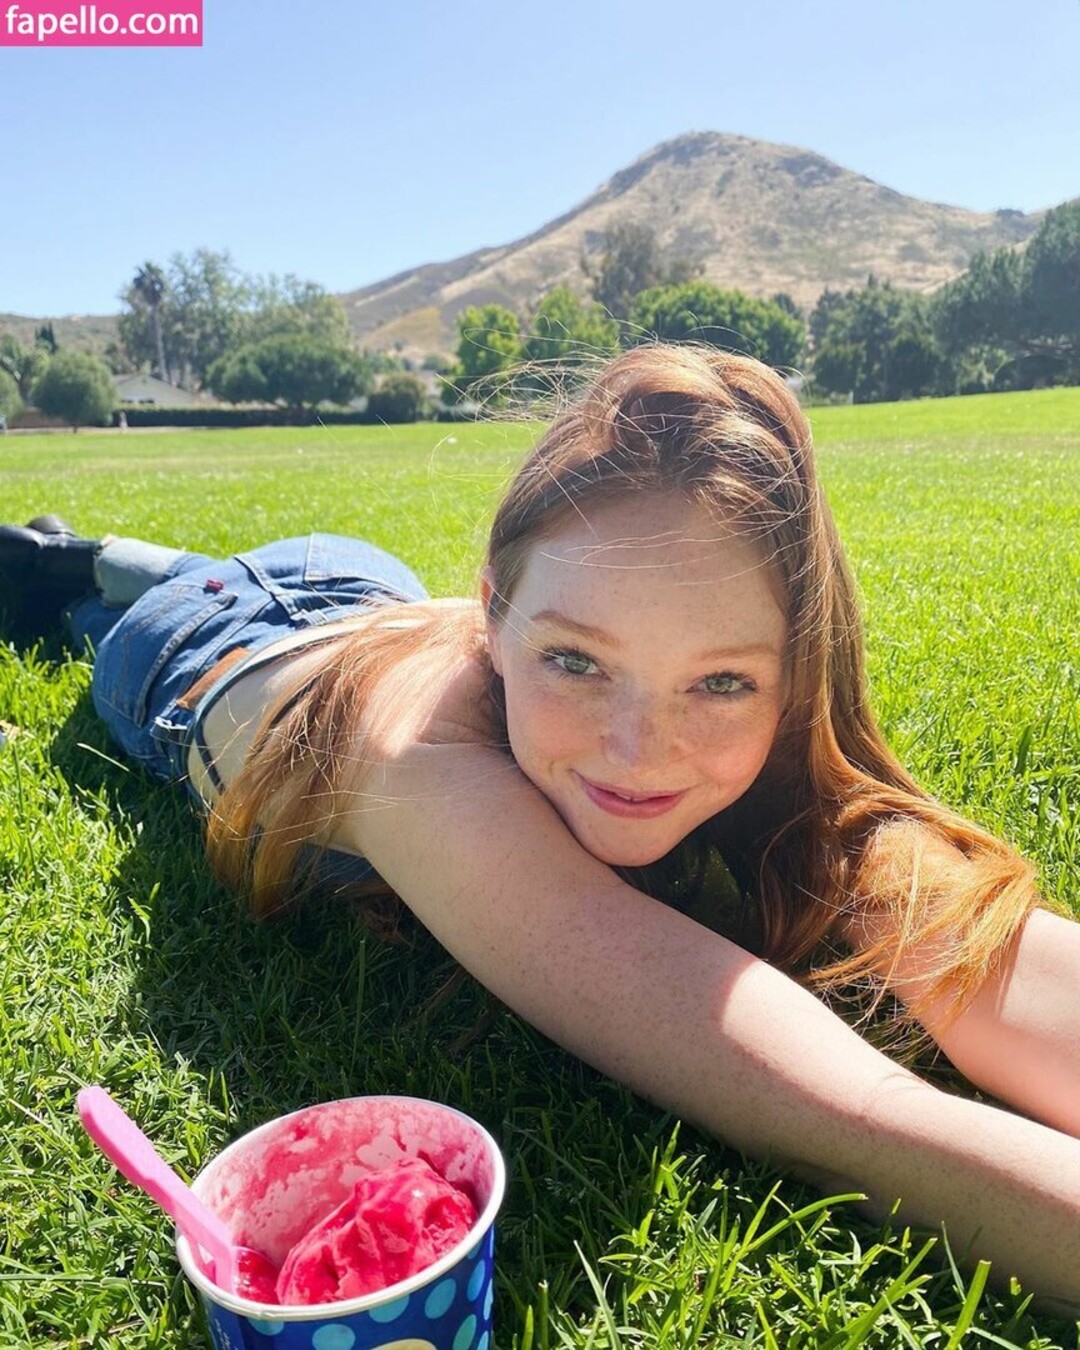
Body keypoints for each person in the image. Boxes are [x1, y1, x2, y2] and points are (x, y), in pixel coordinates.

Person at [3, 343, 1080, 1311]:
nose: (636, 751)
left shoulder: (712, 701)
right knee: (107, 608)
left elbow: (987, 951)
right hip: (208, 651)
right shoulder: (419, 766)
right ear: (499, 620)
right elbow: (862, 1118)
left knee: (341, 598)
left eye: (720, 682)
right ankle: (79, 569)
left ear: (795, 671)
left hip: (369, 586)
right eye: (574, 660)